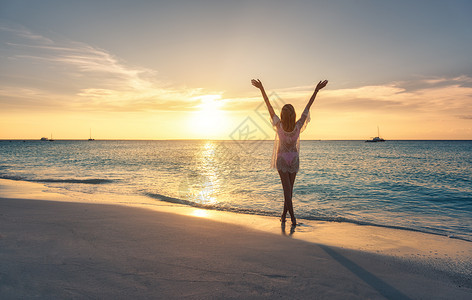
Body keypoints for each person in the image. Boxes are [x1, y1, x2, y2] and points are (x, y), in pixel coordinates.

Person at [251, 78, 328, 225]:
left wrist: (261, 89)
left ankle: (284, 216)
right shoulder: (297, 125)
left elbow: (269, 106)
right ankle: (293, 219)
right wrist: (316, 90)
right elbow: (307, 107)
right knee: (288, 192)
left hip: (285, 160)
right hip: (292, 159)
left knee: (288, 192)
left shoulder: (280, 125)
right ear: (293, 115)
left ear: (283, 115)